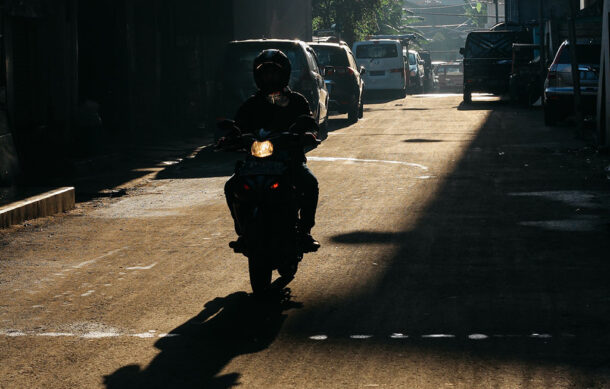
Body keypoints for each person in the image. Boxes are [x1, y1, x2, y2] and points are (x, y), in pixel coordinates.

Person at [220, 49, 320, 253]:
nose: (269, 77)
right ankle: (242, 229)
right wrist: (230, 138)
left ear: (284, 74)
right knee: (231, 186)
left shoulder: (297, 101)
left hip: (289, 161)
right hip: (255, 164)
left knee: (310, 183)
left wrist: (305, 134)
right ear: (258, 76)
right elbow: (238, 126)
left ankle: (305, 231)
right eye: (265, 73)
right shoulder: (251, 104)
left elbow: (309, 123)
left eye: (273, 72)